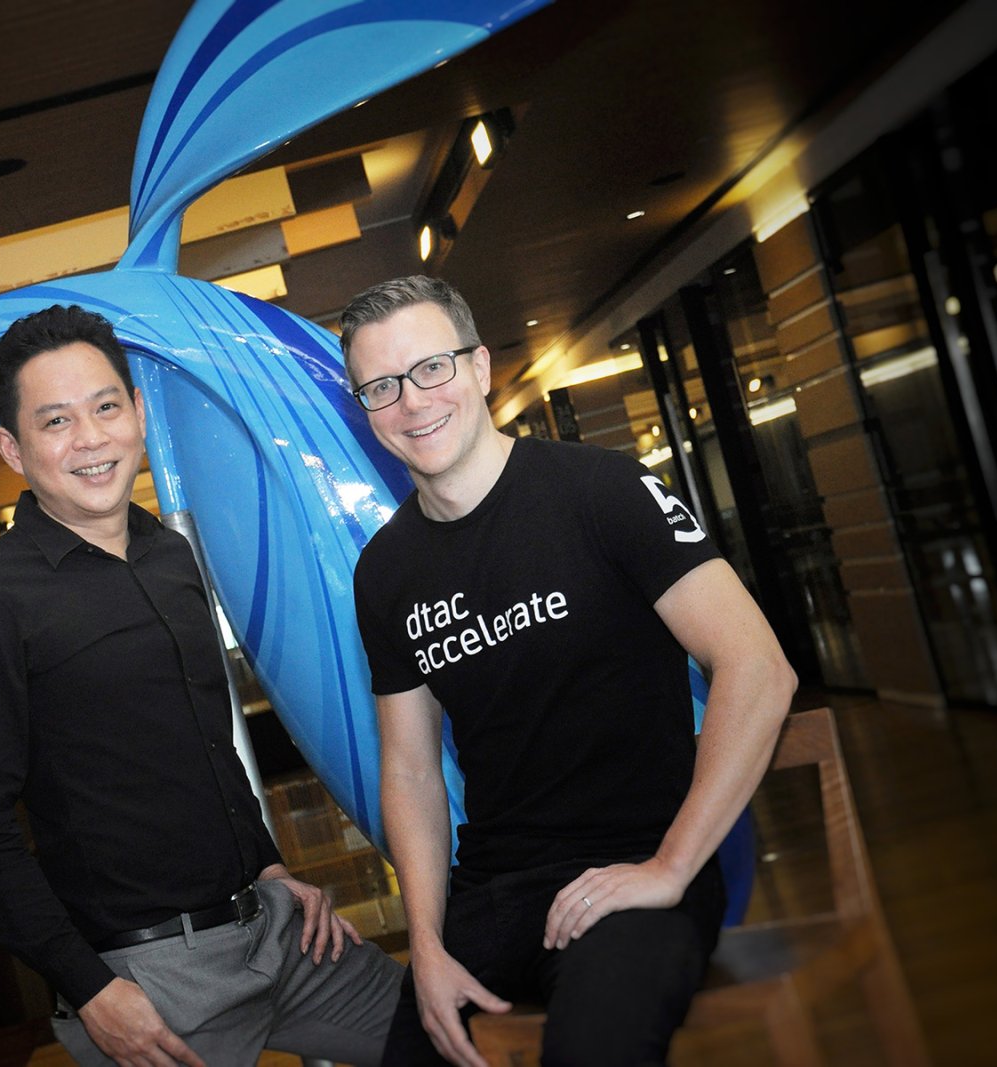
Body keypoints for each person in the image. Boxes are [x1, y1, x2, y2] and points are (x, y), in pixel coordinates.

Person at [0, 304, 403, 1067]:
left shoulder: (169, 555)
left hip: (275, 933)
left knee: (439, 1026)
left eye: (106, 407)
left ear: (138, 413)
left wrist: (270, 865)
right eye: (56, 421)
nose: (91, 438)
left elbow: (208, 745)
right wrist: (90, 989)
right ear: (11, 448)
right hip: (149, 978)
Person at [337, 276, 797, 1067]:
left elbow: (758, 666)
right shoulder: (384, 572)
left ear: (480, 367)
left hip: (637, 868)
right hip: (492, 893)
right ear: (365, 408)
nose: (412, 402)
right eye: (382, 386)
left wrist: (669, 867)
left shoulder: (603, 490)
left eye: (432, 368)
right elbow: (410, 770)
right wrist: (427, 944)